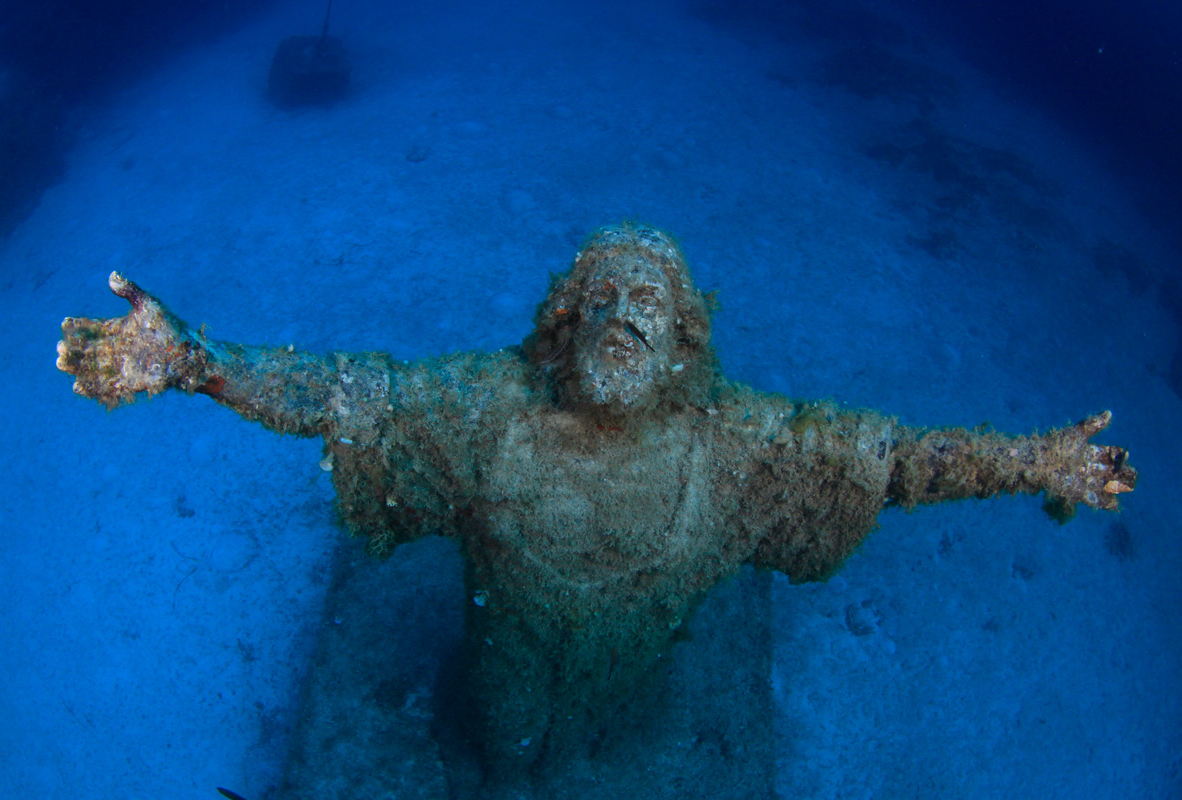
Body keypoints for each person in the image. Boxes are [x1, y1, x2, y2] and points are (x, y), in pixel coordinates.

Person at [56, 222, 1136, 776]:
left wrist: (1032, 461)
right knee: (507, 748)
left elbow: (892, 462)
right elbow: (349, 394)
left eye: (648, 301)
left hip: (640, 649)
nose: (623, 312)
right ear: (565, 323)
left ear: (682, 345)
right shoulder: (482, 409)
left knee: (619, 725)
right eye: (602, 295)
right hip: (506, 651)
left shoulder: (747, 446)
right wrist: (200, 362)